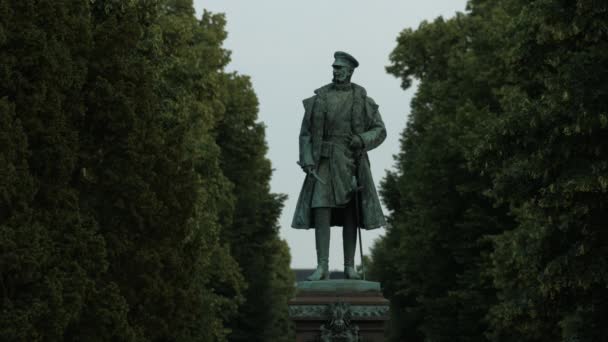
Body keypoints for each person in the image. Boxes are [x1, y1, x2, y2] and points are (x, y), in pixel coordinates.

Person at [291, 51, 387, 281]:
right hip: (323, 160)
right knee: (320, 208)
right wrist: (307, 159)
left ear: (350, 71)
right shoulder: (319, 98)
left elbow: (380, 130)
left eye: (340, 68)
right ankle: (322, 266)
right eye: (334, 67)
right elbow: (305, 134)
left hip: (350, 162)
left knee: (349, 213)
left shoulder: (362, 99)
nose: (336, 71)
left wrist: (362, 139)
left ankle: (349, 266)